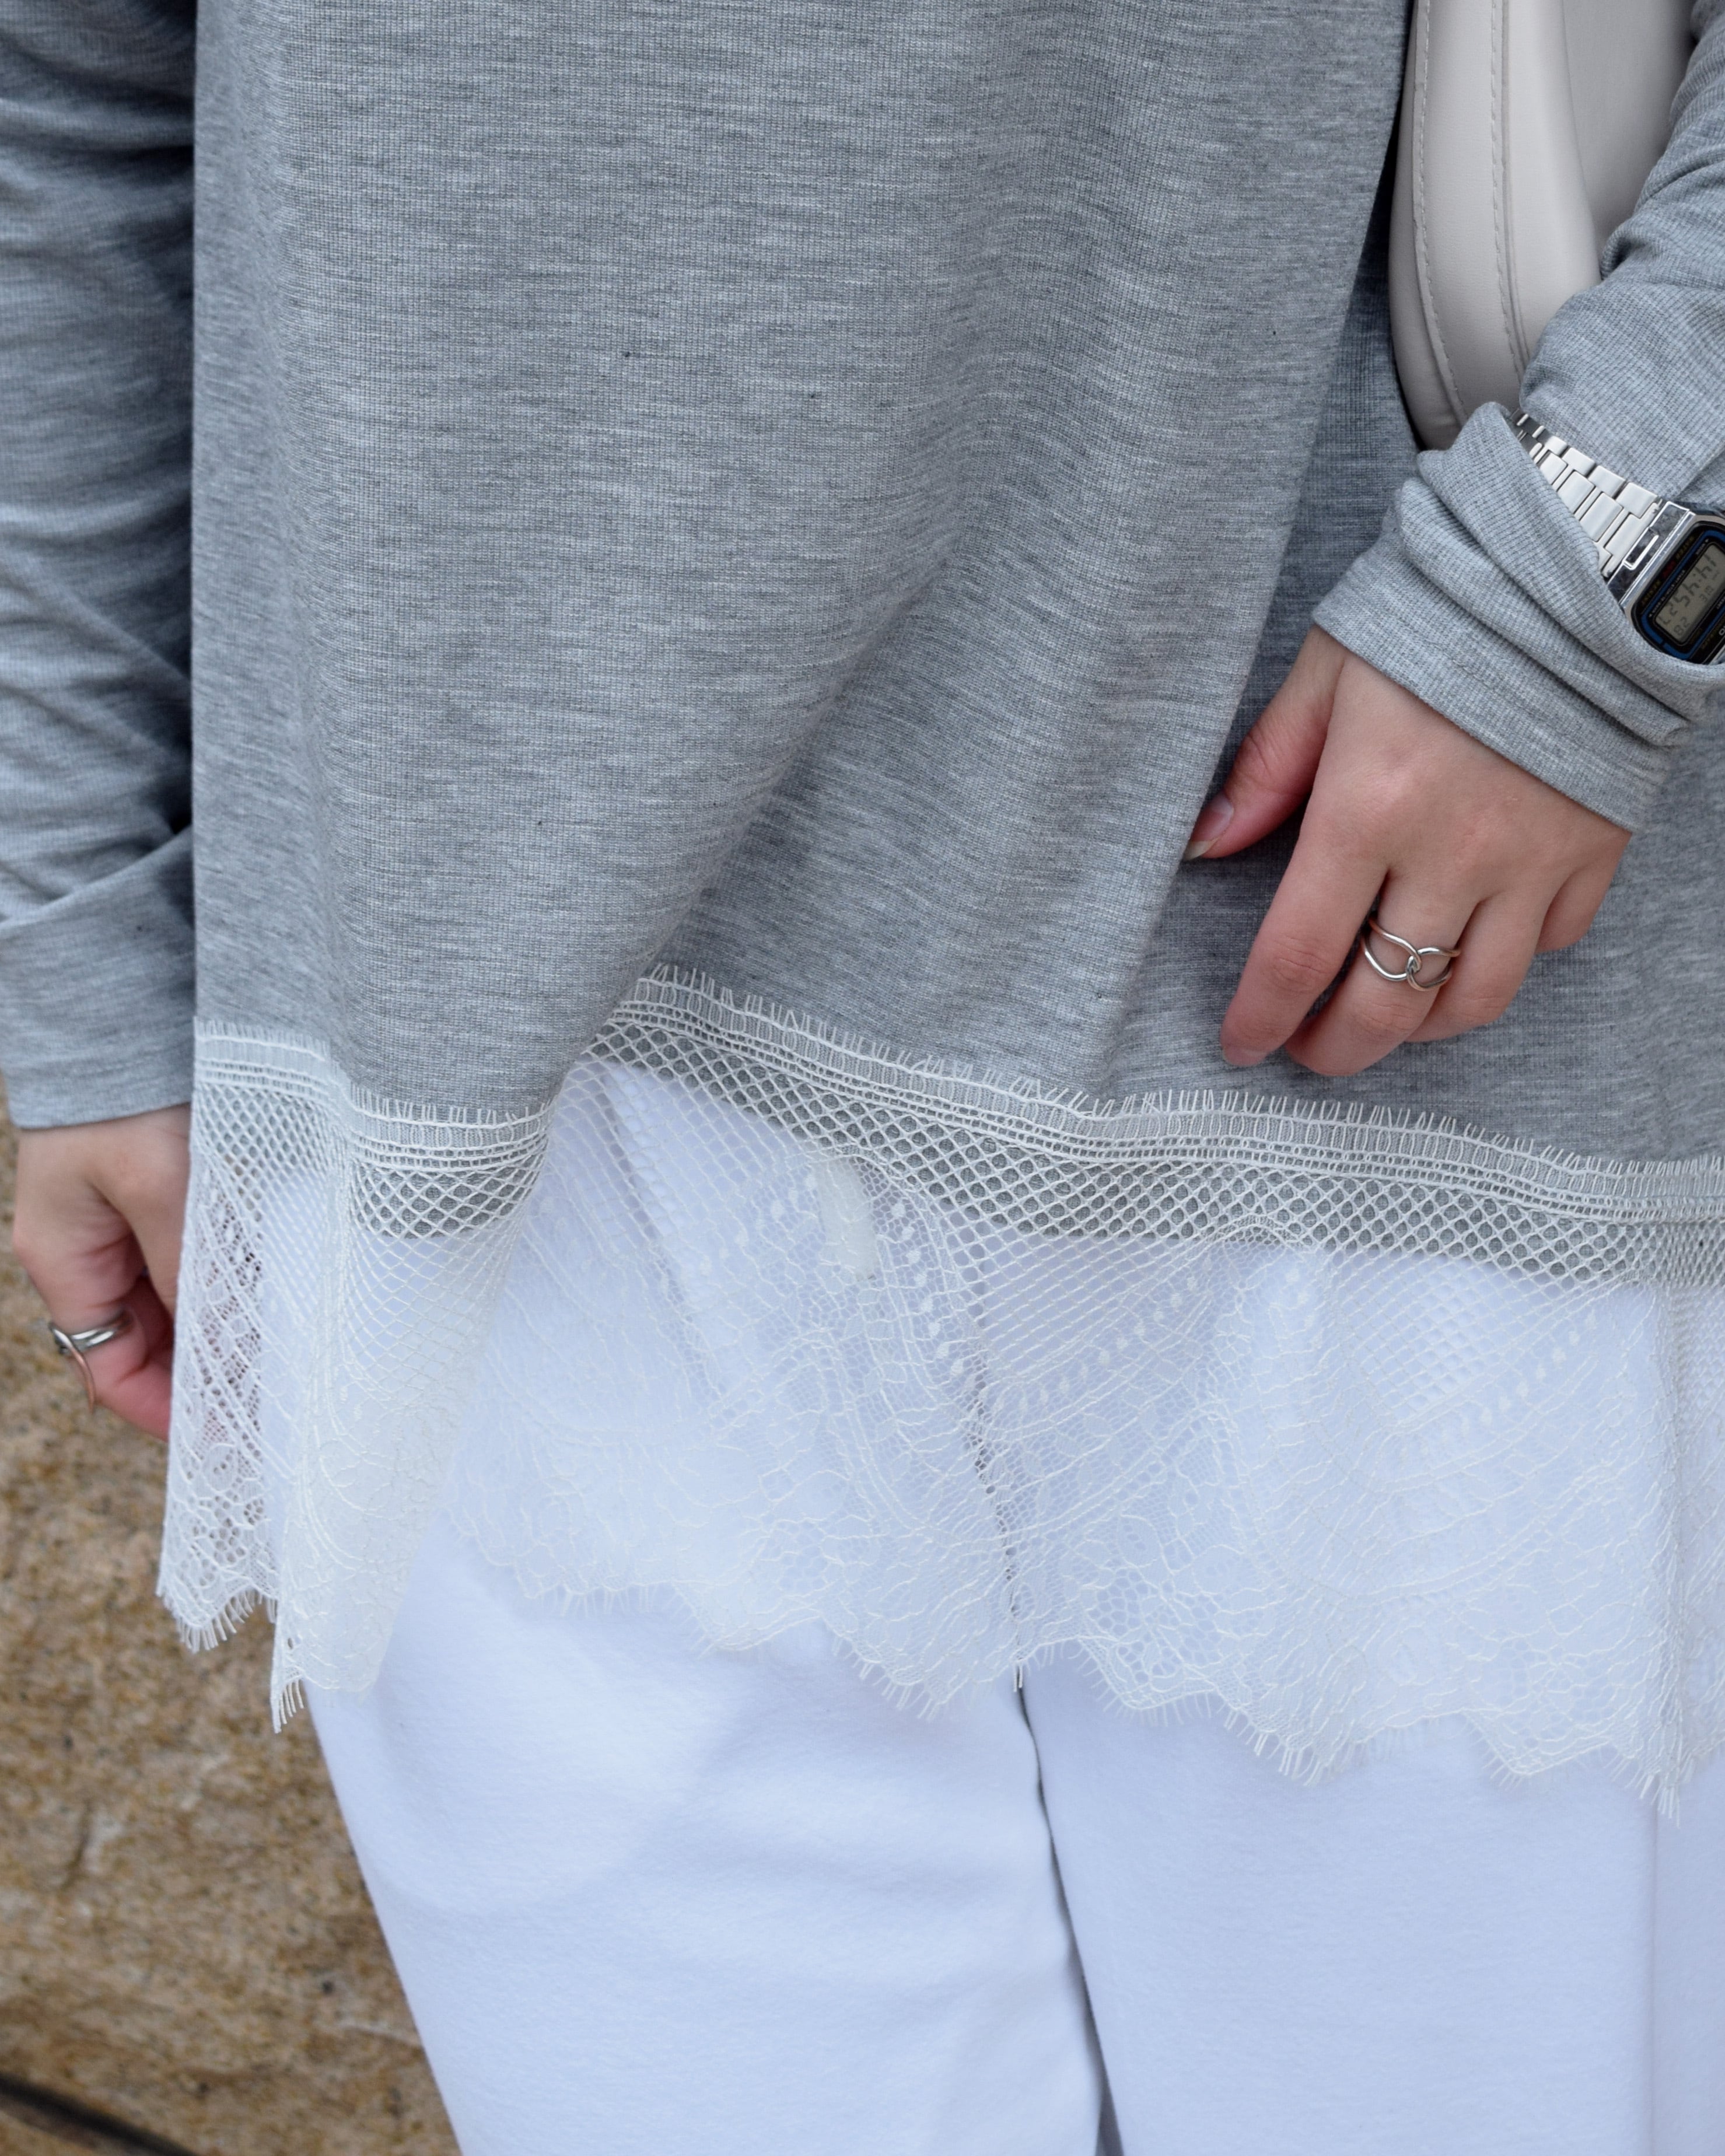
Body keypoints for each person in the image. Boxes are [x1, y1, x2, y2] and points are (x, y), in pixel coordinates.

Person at [4, 2, 1723, 2149]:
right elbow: (61, 76)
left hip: (1388, 1020)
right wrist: (75, 907)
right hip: (486, 1093)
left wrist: (1595, 571)